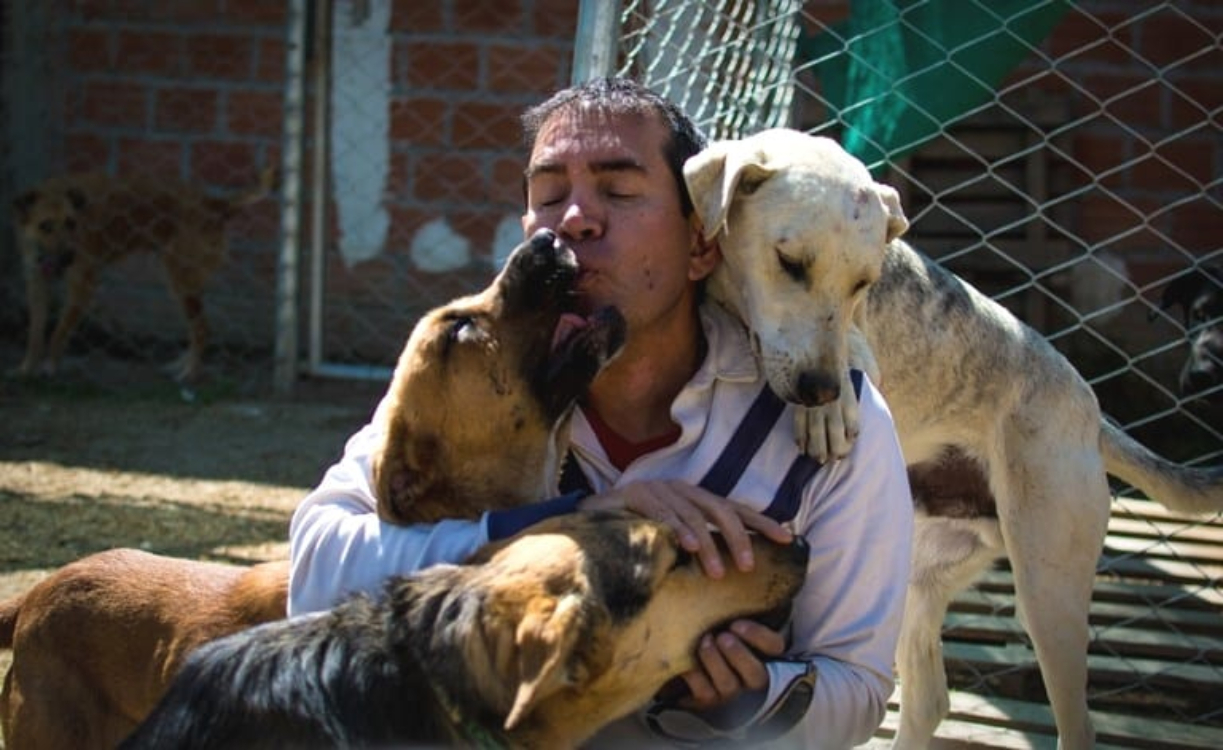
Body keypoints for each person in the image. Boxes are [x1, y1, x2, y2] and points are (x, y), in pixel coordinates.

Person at [288, 76, 913, 748]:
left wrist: (748, 698)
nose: (575, 218)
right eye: (548, 194)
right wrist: (566, 529)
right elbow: (316, 572)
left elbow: (855, 687)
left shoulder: (826, 424)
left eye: (618, 191)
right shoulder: (481, 376)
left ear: (702, 242)